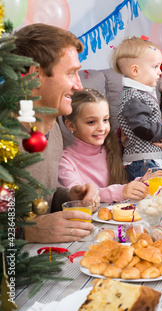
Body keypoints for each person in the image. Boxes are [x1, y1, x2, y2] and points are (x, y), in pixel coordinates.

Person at [13, 24, 99, 243]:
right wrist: (25, 231)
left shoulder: (53, 127)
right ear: (35, 77)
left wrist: (69, 196)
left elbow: (41, 197)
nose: (79, 86)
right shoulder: (6, 137)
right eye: (71, 73)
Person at [58, 89, 149, 202]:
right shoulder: (65, 161)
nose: (101, 128)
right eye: (91, 122)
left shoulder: (111, 149)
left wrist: (141, 183)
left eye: (105, 120)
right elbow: (79, 197)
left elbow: (123, 188)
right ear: (71, 125)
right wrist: (121, 191)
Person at [112, 37, 162, 181]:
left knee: (158, 196)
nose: (160, 72)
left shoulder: (141, 92)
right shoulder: (133, 96)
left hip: (147, 159)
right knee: (150, 198)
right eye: (155, 67)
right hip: (142, 162)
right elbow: (143, 128)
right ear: (135, 70)